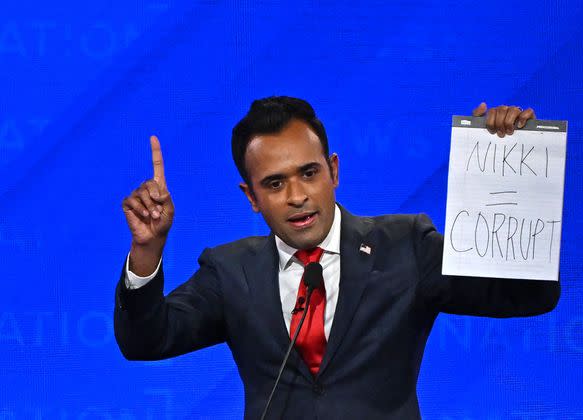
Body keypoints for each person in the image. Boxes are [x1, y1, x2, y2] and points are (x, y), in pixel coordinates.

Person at [115, 96, 559, 419]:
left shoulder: (406, 247)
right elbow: (145, 341)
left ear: (334, 170)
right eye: (274, 184)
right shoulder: (231, 271)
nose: (297, 196)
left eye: (309, 173)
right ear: (251, 197)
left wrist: (500, 182)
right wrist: (147, 250)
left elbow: (526, 296)